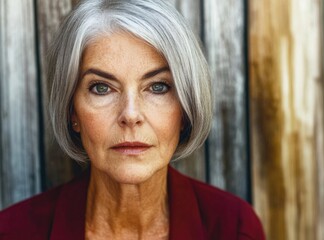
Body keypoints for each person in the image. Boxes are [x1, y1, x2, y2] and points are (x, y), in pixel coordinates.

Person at [0, 0, 265, 239]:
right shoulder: (12, 231)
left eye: (158, 87)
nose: (130, 114)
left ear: (184, 109)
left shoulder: (234, 228)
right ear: (72, 111)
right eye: (102, 88)